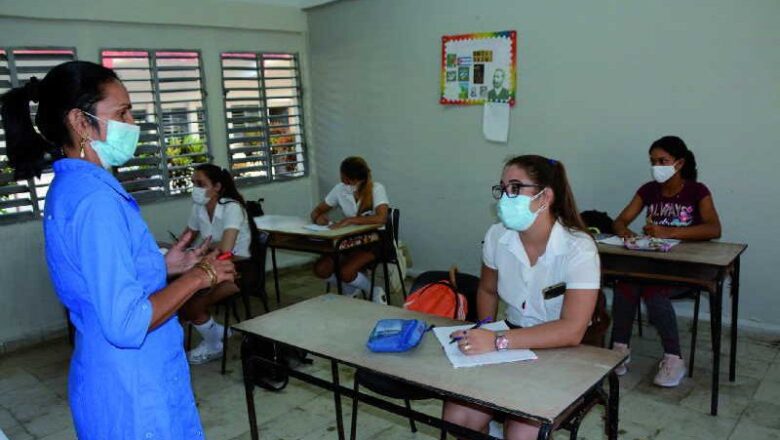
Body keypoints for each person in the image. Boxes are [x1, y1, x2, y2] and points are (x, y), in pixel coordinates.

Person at [0, 61, 236, 439]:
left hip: (116, 376)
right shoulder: (96, 201)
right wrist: (199, 276)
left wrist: (165, 267)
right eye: (122, 112)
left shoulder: (73, 187)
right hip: (134, 391)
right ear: (80, 122)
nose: (133, 123)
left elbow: (99, 278)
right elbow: (126, 323)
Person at [443, 155, 600, 440]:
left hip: (563, 350)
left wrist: (498, 342)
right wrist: (487, 329)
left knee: (521, 433)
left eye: (515, 188)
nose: (505, 197)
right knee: (458, 418)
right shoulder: (497, 236)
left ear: (545, 197)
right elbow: (488, 290)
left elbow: (572, 330)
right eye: (502, 188)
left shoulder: (579, 248)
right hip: (510, 337)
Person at [611, 136, 721, 387]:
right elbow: (620, 220)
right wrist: (625, 232)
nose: (656, 166)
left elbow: (714, 229)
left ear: (679, 163)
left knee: (654, 292)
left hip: (684, 268)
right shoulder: (648, 190)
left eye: (663, 161)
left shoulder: (697, 191)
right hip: (651, 263)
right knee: (625, 286)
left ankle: (674, 358)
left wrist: (670, 232)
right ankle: (619, 350)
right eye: (653, 161)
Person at [179, 163, 260, 364]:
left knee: (191, 305)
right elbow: (187, 236)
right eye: (193, 183)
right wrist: (175, 252)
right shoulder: (199, 207)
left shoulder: (231, 207)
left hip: (237, 269)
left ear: (217, 187)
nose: (196, 189)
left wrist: (200, 258)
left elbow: (225, 250)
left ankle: (214, 345)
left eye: (200, 184)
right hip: (214, 265)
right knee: (179, 293)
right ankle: (215, 330)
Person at [310, 156, 390, 303]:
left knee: (346, 272)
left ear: (357, 179)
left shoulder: (376, 189)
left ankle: (372, 290)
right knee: (321, 269)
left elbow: (381, 218)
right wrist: (318, 218)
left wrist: (351, 220)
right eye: (343, 179)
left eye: (347, 180)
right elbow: (317, 211)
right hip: (348, 240)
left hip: (374, 240)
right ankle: (351, 289)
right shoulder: (339, 189)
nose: (344, 183)